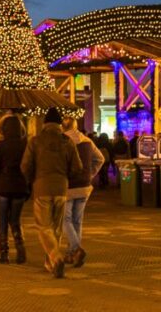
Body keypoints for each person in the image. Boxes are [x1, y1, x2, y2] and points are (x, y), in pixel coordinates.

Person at [21, 108, 82, 279]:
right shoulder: (67, 141)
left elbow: (25, 166)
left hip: (41, 188)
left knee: (44, 227)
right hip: (61, 189)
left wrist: (32, 179)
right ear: (59, 124)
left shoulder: (35, 141)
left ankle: (55, 258)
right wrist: (65, 177)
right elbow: (77, 167)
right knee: (56, 227)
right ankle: (50, 263)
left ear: (45, 123)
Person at [0, 115, 29, 265]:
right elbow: (29, 167)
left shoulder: (1, 145)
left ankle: (4, 254)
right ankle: (20, 250)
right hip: (20, 187)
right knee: (15, 220)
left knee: (2, 221)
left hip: (2, 187)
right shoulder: (25, 145)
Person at [62, 114, 104, 268]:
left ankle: (76, 249)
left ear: (63, 126)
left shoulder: (62, 141)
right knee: (77, 221)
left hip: (68, 185)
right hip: (85, 186)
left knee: (65, 220)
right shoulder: (86, 140)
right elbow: (100, 158)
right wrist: (90, 174)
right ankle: (71, 255)